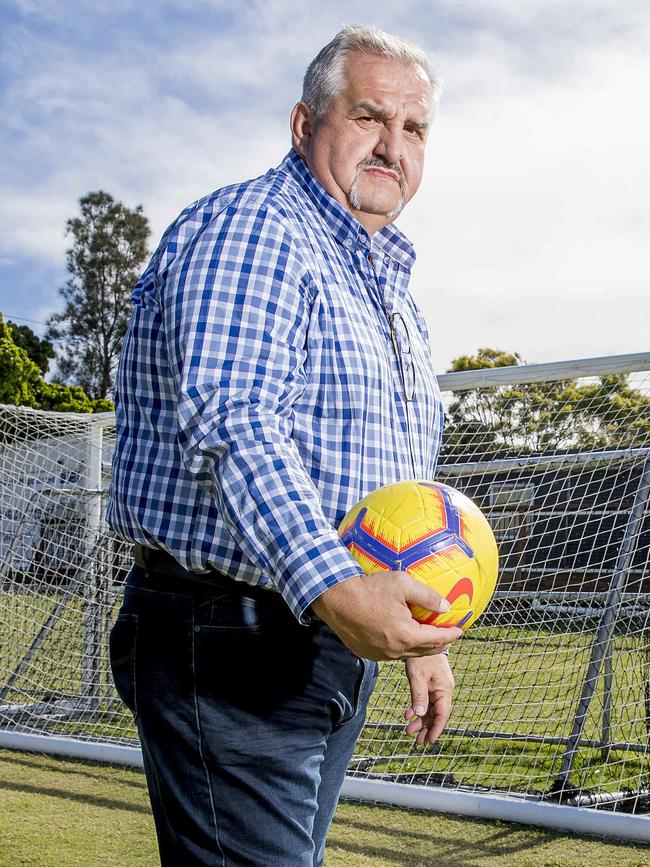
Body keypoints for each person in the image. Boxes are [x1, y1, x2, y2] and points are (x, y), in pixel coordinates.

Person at [108, 24, 462, 866]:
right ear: (305, 124)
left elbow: (402, 490)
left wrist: (427, 634)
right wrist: (338, 586)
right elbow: (235, 421)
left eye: (413, 129)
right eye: (369, 116)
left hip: (331, 635)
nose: (392, 144)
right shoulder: (256, 231)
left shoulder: (386, 285)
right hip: (232, 634)